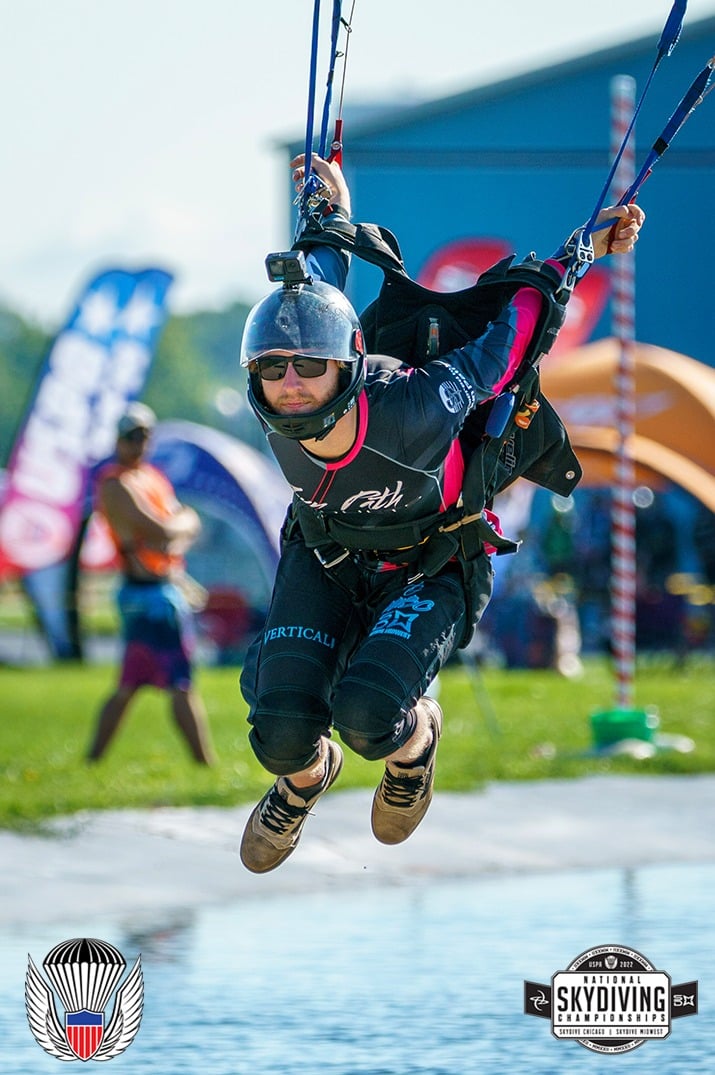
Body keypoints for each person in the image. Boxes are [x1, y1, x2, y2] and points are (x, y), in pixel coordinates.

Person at [237, 154, 644, 873]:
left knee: (368, 716)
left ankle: (414, 748)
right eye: (274, 367)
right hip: (326, 556)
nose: (291, 382)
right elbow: (318, 286)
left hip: (430, 564)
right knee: (277, 729)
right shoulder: (278, 404)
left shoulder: (414, 405)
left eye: (307, 365)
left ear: (346, 364)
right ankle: (304, 780)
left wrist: (578, 253)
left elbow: (502, 344)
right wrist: (330, 212)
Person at [87, 402, 215, 765]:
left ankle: (93, 761)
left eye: (143, 436)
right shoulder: (116, 483)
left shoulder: (151, 478)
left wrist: (176, 530)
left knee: (136, 686)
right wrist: (177, 529)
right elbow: (164, 528)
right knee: (179, 684)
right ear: (117, 440)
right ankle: (205, 764)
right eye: (131, 437)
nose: (138, 444)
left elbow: (186, 524)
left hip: (161, 589)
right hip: (148, 596)